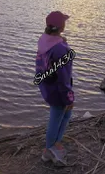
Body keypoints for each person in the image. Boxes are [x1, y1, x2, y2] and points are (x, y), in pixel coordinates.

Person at [34, 11, 75, 166]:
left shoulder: (44, 40)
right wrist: (68, 97)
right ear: (61, 26)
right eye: (64, 22)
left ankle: (55, 143)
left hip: (47, 86)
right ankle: (48, 151)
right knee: (57, 116)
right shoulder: (60, 49)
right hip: (58, 89)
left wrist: (62, 41)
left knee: (66, 113)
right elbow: (64, 78)